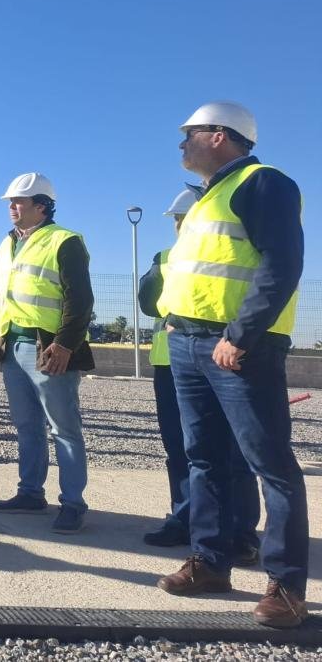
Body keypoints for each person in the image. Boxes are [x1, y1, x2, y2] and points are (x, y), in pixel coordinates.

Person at [154, 101, 308, 629]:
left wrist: (239, 336)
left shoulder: (265, 183)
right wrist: (175, 320)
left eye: (189, 134)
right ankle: (211, 564)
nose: (181, 144)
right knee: (204, 458)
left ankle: (286, 586)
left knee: (270, 464)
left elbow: (281, 265)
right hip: (190, 344)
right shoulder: (206, 199)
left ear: (219, 135)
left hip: (239, 350)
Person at [138, 186, 260, 563]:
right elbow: (147, 303)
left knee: (232, 451)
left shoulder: (235, 251)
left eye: (182, 219)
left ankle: (240, 531)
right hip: (169, 362)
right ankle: (185, 517)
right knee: (181, 448)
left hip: (224, 357)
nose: (179, 226)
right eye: (176, 221)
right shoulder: (165, 257)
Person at [0, 172, 94, 534]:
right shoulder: (6, 244)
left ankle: (73, 503)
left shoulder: (65, 241)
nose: (12, 207)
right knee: (26, 426)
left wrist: (65, 344)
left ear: (43, 206)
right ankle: (31, 492)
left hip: (48, 348)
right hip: (13, 346)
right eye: (10, 202)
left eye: (20, 201)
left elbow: (80, 300)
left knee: (64, 428)